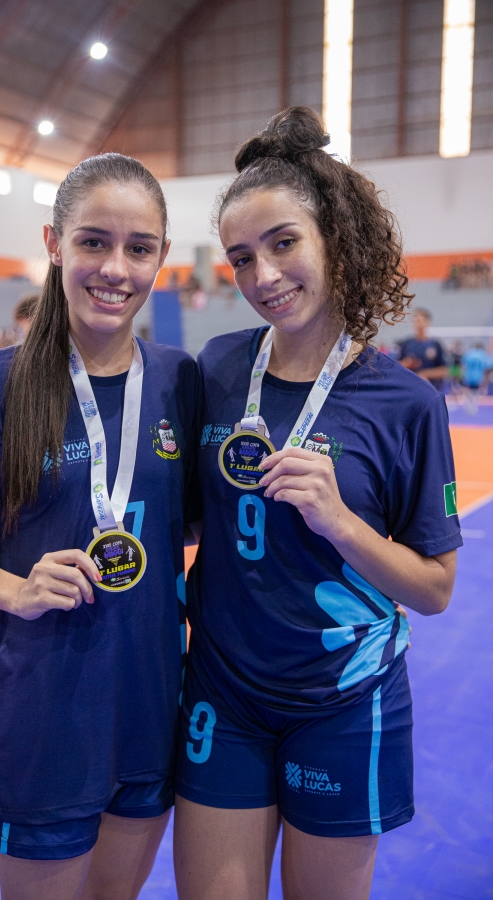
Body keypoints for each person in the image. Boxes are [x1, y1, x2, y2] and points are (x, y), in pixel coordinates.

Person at [174, 107, 461, 900]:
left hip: (346, 701)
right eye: (241, 258)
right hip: (224, 692)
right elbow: (192, 516)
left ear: (334, 236)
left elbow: (435, 589)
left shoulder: (407, 404)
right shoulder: (218, 367)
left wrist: (341, 523)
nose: (262, 276)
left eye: (283, 243)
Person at [0, 152, 199, 900]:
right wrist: (13, 589)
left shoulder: (180, 380)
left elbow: (192, 521)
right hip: (46, 709)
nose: (116, 269)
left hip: (151, 701)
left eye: (139, 248)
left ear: (162, 256)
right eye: (93, 241)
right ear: (54, 243)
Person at [398, 308, 447, 391]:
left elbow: (443, 371)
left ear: (427, 322)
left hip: (431, 389)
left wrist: (424, 374)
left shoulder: (435, 345)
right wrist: (407, 364)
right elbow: (397, 366)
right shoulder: (406, 343)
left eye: (419, 321)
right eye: (414, 321)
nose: (417, 324)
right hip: (410, 388)